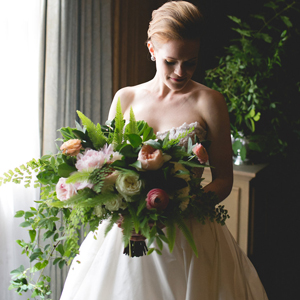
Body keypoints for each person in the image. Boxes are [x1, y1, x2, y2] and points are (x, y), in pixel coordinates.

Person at [60, 2, 268, 299]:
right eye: (171, 61)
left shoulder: (209, 102)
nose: (180, 71)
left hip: (188, 236)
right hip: (129, 232)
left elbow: (224, 180)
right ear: (151, 50)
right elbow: (107, 165)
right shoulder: (126, 98)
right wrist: (115, 201)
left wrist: (179, 207)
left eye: (191, 62)